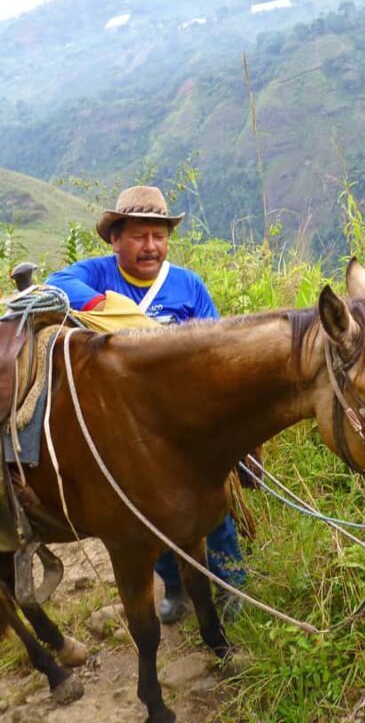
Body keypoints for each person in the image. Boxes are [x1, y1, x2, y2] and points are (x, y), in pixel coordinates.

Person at [46, 184, 247, 624]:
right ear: (115, 238)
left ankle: (232, 585)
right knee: (144, 517)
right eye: (139, 236)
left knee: (212, 508)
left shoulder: (187, 285)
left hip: (186, 424)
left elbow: (217, 348)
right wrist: (106, 307)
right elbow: (57, 284)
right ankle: (174, 586)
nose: (150, 246)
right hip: (130, 433)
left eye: (159, 236)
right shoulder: (98, 275)